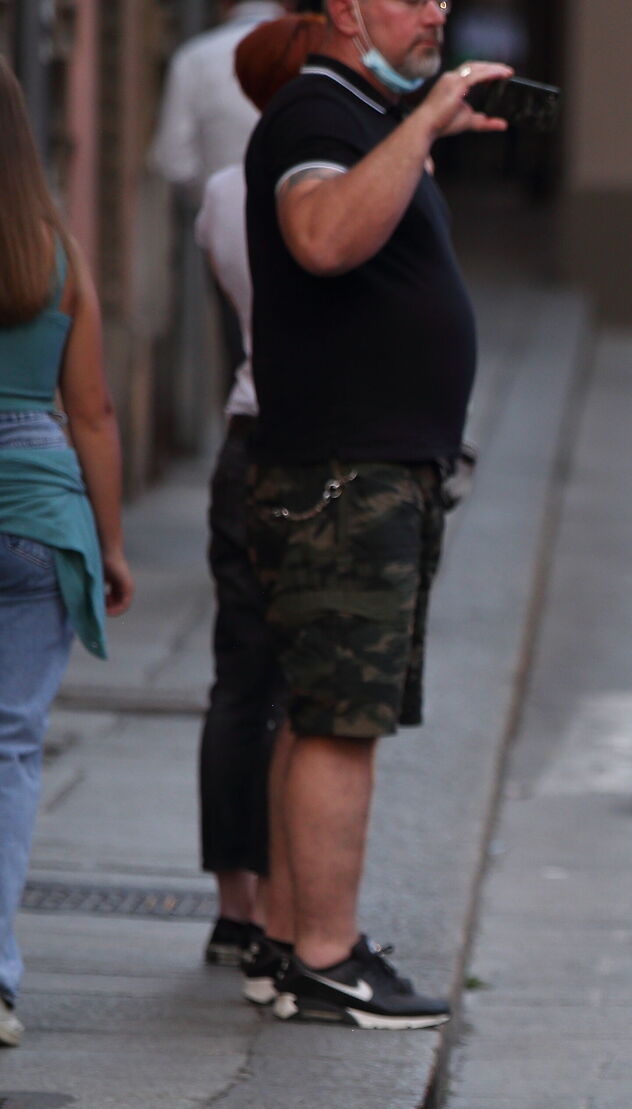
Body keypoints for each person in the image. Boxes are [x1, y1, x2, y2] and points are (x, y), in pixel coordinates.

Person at [243, 0, 512, 1028]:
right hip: (343, 478)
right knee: (340, 726)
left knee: (318, 714)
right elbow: (319, 236)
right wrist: (421, 123)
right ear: (348, 10)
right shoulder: (320, 113)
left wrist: (419, 131)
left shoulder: (360, 112)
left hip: (360, 470)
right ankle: (326, 954)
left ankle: (285, 937)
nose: (437, 9)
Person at [191, 13, 335, 990]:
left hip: (240, 440)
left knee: (238, 684)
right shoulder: (311, 194)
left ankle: (234, 908)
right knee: (305, 693)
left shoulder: (216, 195)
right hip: (311, 447)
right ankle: (296, 909)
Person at [0, 63, 135, 1050]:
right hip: (43, 512)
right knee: (9, 748)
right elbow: (91, 413)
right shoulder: (53, 252)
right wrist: (114, 542)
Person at [151, 0, 295, 190]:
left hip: (221, 210)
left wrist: (214, 192)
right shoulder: (315, 53)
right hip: (303, 210)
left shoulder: (194, 57)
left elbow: (173, 158)